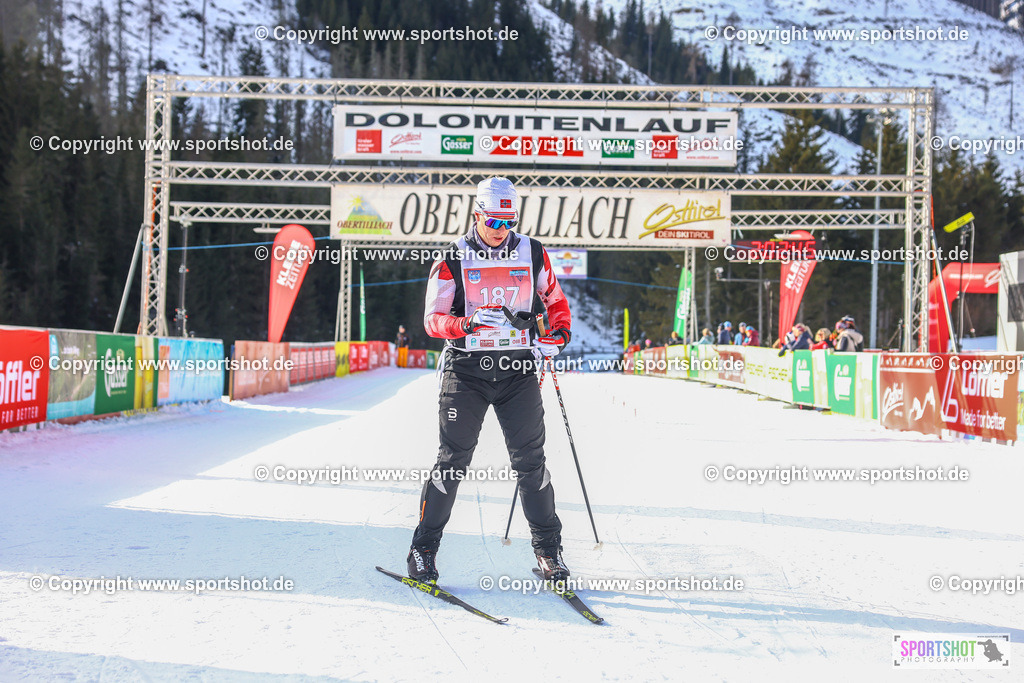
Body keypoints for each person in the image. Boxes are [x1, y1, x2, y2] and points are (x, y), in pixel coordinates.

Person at [407, 177, 573, 585]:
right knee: (452, 461)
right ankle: (422, 550)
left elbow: (555, 301)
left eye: (509, 222)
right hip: (467, 371)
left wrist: (557, 338)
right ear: (477, 214)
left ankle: (549, 552)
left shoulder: (532, 252)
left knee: (531, 463)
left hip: (517, 370)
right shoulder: (452, 257)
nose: (502, 231)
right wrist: (466, 323)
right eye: (494, 222)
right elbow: (432, 320)